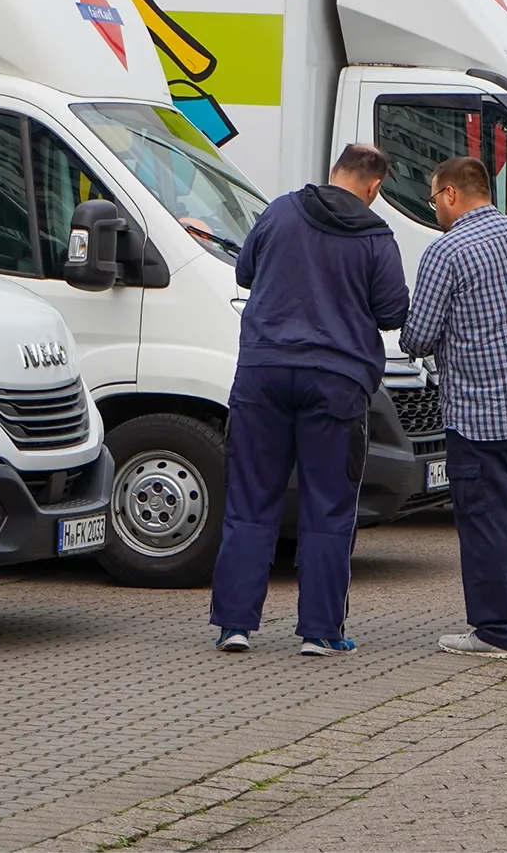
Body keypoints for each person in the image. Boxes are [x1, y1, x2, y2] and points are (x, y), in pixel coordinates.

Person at [209, 142, 409, 656]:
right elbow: (391, 311)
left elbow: (244, 272)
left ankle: (235, 625)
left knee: (251, 501)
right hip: (336, 383)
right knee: (329, 506)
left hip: (263, 375)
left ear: (332, 172)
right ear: (374, 188)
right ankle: (320, 632)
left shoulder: (279, 211)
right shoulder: (375, 236)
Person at [401, 155, 507, 660]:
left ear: (451, 194)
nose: (435, 211)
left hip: (482, 412)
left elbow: (418, 335)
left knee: (485, 519)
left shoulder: (447, 251)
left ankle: (495, 631)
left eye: (433, 200)